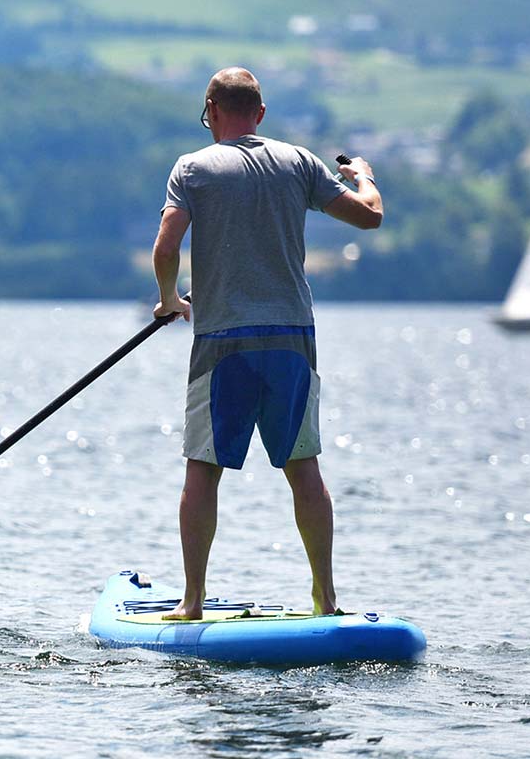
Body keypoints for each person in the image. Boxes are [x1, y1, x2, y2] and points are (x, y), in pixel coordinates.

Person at [151, 67, 383, 619]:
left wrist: (169, 299)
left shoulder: (193, 168)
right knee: (304, 468)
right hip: (290, 338)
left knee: (202, 469)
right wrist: (365, 175)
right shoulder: (299, 161)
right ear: (259, 113)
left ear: (210, 110)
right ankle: (326, 599)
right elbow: (370, 216)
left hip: (221, 339)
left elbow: (166, 248)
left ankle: (192, 602)